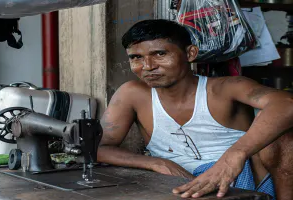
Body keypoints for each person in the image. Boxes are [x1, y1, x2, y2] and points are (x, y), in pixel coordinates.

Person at [97, 19, 293, 200]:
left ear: (190, 53)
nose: (147, 66)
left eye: (160, 54)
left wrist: (235, 154)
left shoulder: (225, 88)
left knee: (282, 134)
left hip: (241, 182)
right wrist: (157, 163)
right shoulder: (133, 94)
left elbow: (287, 103)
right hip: (177, 186)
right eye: (136, 57)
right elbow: (98, 148)